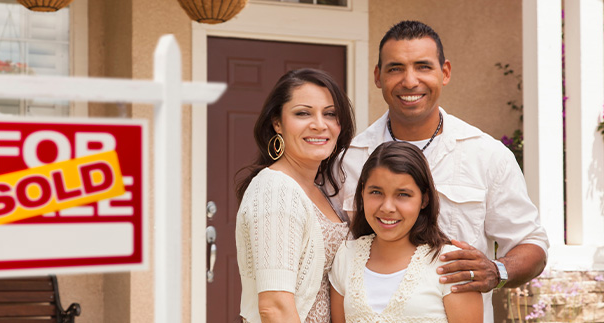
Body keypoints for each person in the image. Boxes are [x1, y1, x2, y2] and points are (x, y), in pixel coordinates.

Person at [333, 20, 549, 322]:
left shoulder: (486, 155)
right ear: (377, 76)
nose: (410, 81)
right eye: (395, 68)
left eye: (423, 66)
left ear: (444, 72)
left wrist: (497, 270)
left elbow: (532, 244)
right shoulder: (347, 161)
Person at [235, 68, 355, 323]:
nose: (319, 124)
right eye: (303, 113)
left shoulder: (318, 189)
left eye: (330, 114)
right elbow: (275, 307)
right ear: (277, 122)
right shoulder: (275, 189)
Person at [329, 141, 482, 323]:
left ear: (424, 199)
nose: (387, 207)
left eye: (403, 194)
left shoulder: (452, 265)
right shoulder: (346, 255)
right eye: (376, 192)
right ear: (362, 192)